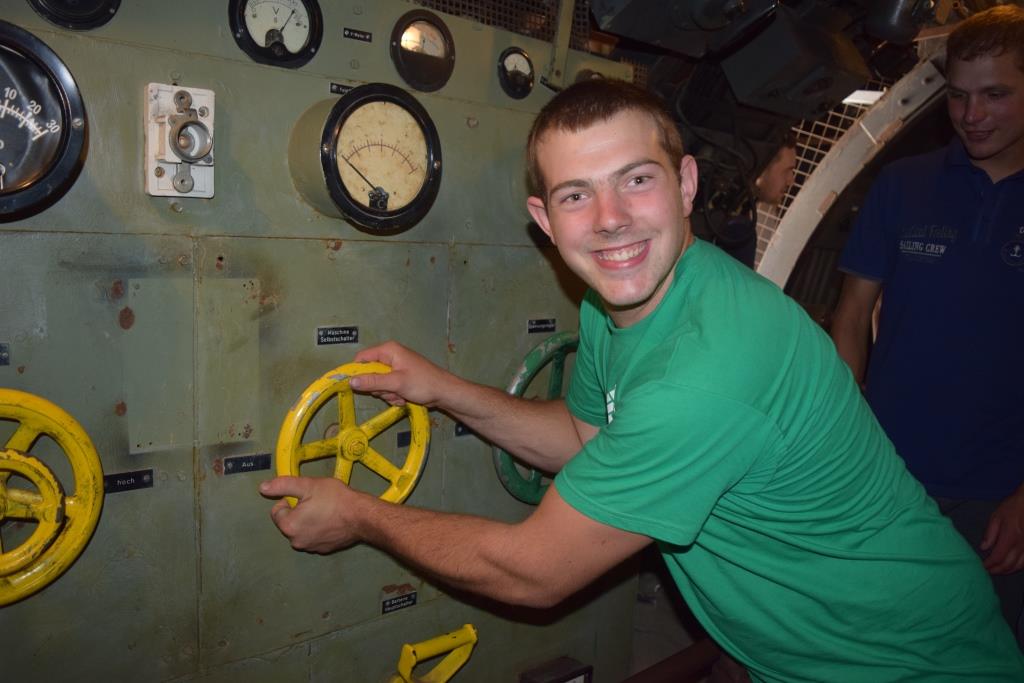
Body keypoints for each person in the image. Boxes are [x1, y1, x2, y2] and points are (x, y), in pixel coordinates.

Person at [261, 78, 1024, 681]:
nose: (610, 219)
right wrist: (442, 388)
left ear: (686, 184)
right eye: (576, 194)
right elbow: (584, 436)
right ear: (545, 219)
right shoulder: (620, 301)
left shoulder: (710, 370)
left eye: (635, 180)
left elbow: (532, 572)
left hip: (905, 661)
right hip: (804, 652)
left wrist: (360, 515)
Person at [831, 4, 1024, 646]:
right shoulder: (904, 184)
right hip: (889, 475)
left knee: (980, 652)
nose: (972, 115)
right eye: (959, 96)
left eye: (995, 94)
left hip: (998, 494)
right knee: (866, 641)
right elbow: (852, 315)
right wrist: (844, 438)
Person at [711, 134, 797, 268]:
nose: (791, 181)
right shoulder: (740, 230)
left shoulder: (730, 214)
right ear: (763, 168)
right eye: (787, 170)